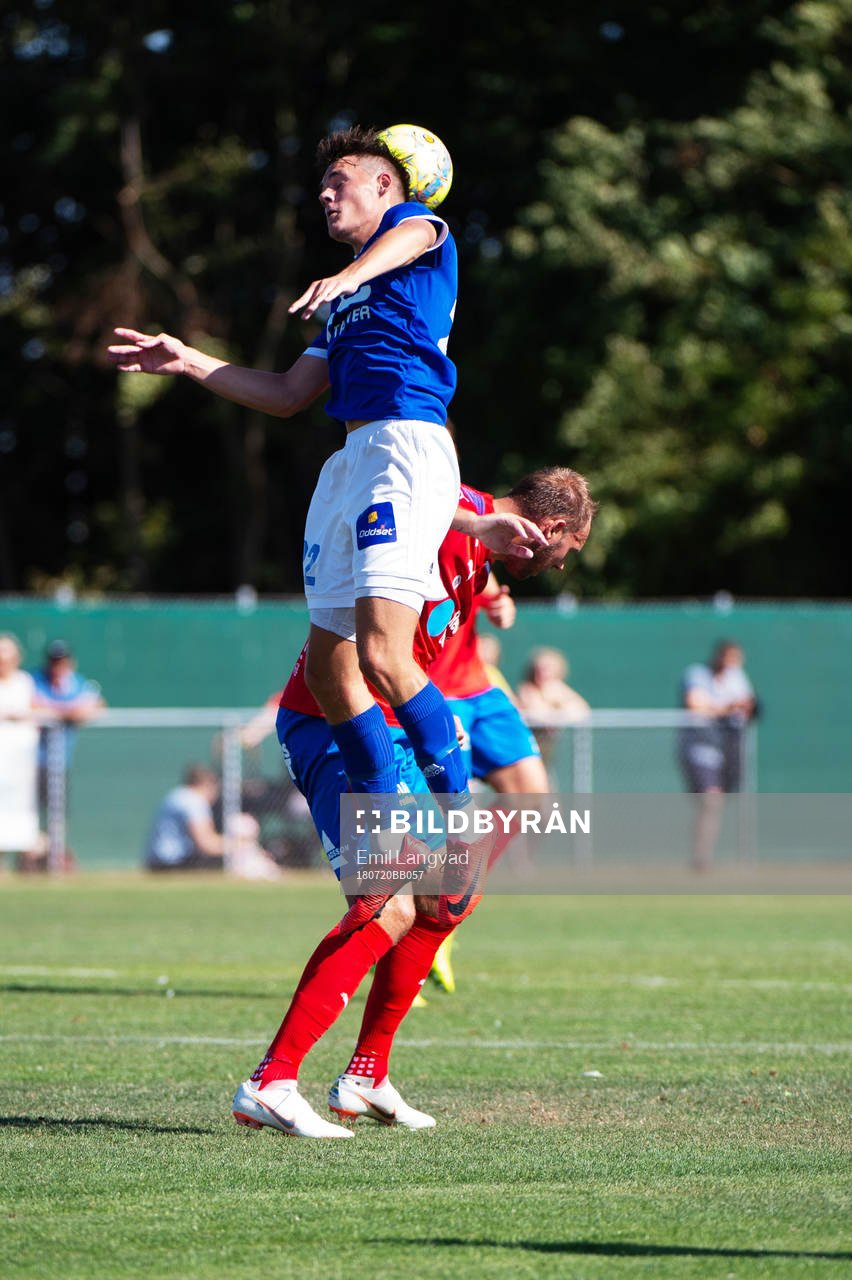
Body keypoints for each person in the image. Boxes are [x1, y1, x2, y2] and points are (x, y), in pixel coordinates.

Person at [107, 125, 544, 882]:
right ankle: (391, 852)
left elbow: (407, 237)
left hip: (405, 444)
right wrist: (188, 361)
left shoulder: (420, 235)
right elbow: (284, 395)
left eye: (342, 179)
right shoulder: (348, 297)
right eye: (323, 183)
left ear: (387, 186)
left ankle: (457, 828)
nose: (325, 192)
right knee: (333, 677)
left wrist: (348, 278)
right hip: (351, 463)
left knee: (383, 654)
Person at [229, 467, 596, 1138]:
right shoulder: (450, 508)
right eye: (563, 552)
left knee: (449, 892)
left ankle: (367, 1074)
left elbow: (459, 574)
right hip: (336, 724)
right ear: (548, 531)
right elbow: (421, 500)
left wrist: (487, 598)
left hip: (387, 726)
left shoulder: (479, 545)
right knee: (389, 901)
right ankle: (272, 1079)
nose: (557, 565)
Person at [678, 640, 757, 871]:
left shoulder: (738, 678)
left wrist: (743, 708)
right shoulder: (697, 674)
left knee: (717, 802)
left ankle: (709, 853)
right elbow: (696, 705)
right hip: (700, 745)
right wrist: (728, 707)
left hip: (729, 747)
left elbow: (748, 706)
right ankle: (701, 858)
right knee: (710, 800)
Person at [144, 764, 281, 878]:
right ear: (207, 785)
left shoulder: (177, 795)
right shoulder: (194, 801)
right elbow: (207, 844)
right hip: (172, 864)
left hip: (159, 861)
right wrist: (243, 845)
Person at [515, 646, 590, 782]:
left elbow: (581, 710)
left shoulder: (557, 689)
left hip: (546, 756)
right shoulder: (527, 690)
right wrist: (553, 712)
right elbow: (537, 714)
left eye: (547, 669)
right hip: (524, 754)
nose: (542, 673)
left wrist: (558, 708)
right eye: (539, 669)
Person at [0, 634, 40, 871]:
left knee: (22, 818)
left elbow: (37, 709)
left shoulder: (24, 682)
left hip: (20, 766)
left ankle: (27, 865)